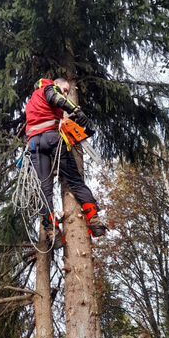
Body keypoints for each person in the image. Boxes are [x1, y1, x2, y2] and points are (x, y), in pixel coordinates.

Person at [25, 77, 106, 249]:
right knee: (75, 180)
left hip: (34, 144)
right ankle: (94, 219)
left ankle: (51, 230)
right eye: (65, 89)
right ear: (56, 85)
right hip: (52, 139)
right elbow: (57, 98)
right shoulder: (49, 89)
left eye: (68, 91)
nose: (66, 92)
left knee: (44, 189)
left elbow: (49, 113)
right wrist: (77, 111)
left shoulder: (33, 101)